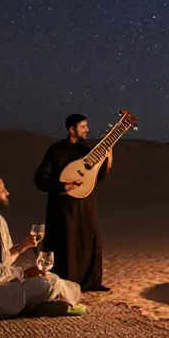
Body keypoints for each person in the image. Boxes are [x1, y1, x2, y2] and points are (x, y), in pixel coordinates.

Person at [0, 171, 85, 319]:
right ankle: (41, 305)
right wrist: (23, 274)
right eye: (2, 189)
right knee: (47, 285)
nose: (7, 192)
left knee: (50, 277)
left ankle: (44, 303)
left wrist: (22, 247)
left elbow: (4, 260)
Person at [33, 114, 112, 292]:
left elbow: (97, 176)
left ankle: (91, 282)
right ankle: (66, 282)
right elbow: (39, 178)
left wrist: (108, 155)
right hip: (63, 205)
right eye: (83, 126)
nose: (87, 130)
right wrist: (62, 185)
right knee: (66, 241)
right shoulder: (56, 150)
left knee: (90, 237)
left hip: (85, 203)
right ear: (71, 129)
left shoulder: (86, 151)